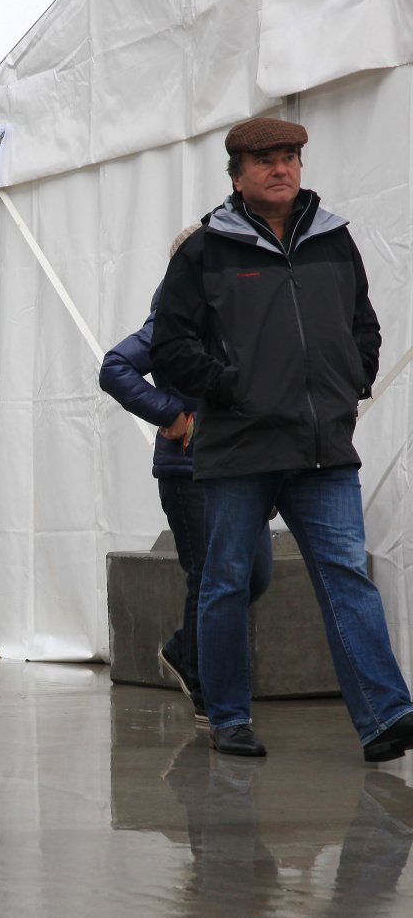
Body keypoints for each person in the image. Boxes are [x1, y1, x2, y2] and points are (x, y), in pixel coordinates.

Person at [151, 115, 413, 761]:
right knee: (226, 582)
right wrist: (232, 386)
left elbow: (364, 325)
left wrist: (352, 380)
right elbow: (169, 347)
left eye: (290, 157)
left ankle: (386, 717)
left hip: (323, 448)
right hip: (240, 447)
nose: (281, 168)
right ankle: (228, 716)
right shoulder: (204, 249)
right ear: (237, 174)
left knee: (347, 576)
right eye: (265, 160)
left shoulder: (333, 238)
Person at [99, 228, 274, 727]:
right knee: (210, 574)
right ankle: (205, 688)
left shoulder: (236, 311)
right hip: (188, 468)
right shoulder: (171, 314)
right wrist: (172, 414)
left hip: (241, 465)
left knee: (254, 574)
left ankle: (184, 649)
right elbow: (115, 367)